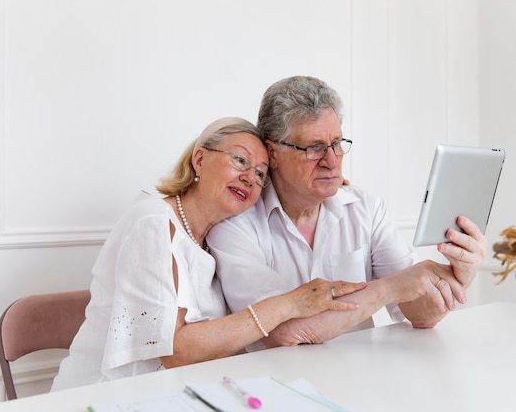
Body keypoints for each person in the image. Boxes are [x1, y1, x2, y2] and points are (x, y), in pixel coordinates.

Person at [51, 117, 366, 390]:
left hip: (174, 394)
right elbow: (175, 351)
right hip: (104, 397)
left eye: (261, 175)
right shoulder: (152, 222)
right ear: (199, 159)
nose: (249, 178)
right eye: (240, 161)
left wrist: (315, 188)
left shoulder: (212, 240)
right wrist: (292, 302)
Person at [207, 77, 487, 349]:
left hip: (358, 382)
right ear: (273, 153)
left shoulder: (366, 209)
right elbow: (282, 331)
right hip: (273, 387)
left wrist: (459, 276)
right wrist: (389, 288)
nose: (331, 161)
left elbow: (420, 314)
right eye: (314, 148)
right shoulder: (235, 225)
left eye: (337, 144)